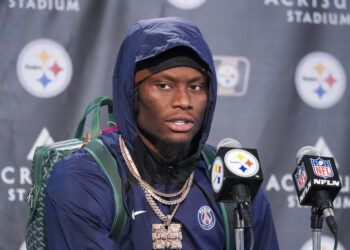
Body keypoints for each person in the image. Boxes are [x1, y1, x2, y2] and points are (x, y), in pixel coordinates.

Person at [44, 17, 279, 249]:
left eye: (196, 87)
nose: (184, 101)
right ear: (132, 94)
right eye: (164, 86)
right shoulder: (84, 178)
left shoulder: (234, 181)